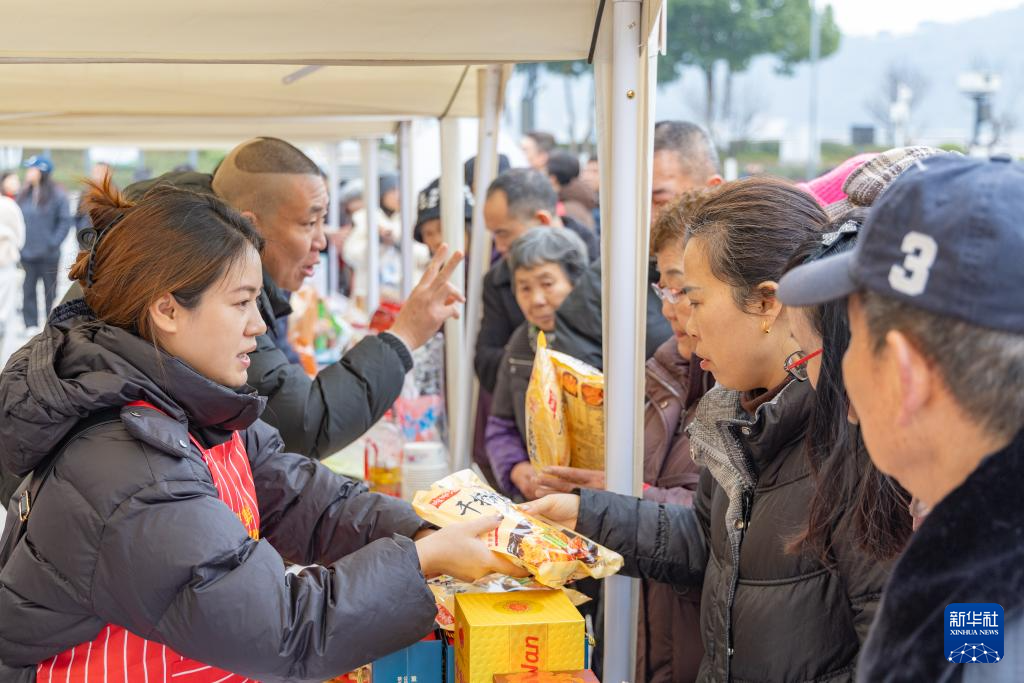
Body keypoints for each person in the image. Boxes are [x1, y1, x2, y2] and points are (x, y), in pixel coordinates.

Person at [0, 180, 522, 682]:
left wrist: (421, 529)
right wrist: (424, 559)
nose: (258, 326)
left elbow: (300, 497)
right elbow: (283, 629)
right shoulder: (126, 462)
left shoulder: (187, 404)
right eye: (241, 302)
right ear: (166, 310)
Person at [527, 177, 890, 682]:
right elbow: (710, 543)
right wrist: (586, 514)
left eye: (693, 299)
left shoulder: (862, 441)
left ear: (766, 302)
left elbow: (908, 653)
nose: (680, 319)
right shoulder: (733, 419)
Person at [59, 139, 459, 468]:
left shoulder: (210, 261)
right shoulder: (192, 265)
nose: (322, 240)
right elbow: (298, 424)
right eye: (309, 222)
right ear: (166, 310)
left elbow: (274, 468)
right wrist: (403, 336)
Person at [778, 154, 1024, 683]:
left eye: (855, 346)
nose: (845, 397)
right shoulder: (974, 552)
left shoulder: (984, 580)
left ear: (905, 376)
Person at [535, 190, 716, 683]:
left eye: (687, 292)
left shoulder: (769, 401)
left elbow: (723, 530)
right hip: (653, 634)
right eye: (666, 291)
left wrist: (606, 503)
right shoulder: (665, 371)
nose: (676, 309)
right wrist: (597, 501)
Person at [553, 121, 723, 369]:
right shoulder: (609, 278)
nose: (647, 216)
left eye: (659, 199)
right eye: (636, 202)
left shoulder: (746, 270)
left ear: (713, 189)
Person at [485, 228, 590, 500]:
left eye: (547, 284)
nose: (537, 300)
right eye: (525, 288)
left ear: (575, 282)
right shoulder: (519, 344)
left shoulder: (602, 340)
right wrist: (516, 469)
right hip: (538, 498)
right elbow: (500, 425)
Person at [474, 168, 598, 394]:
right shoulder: (497, 279)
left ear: (542, 220)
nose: (498, 246)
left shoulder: (604, 267)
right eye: (525, 288)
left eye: (503, 233)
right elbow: (485, 363)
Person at [348, 173, 431, 304]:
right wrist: (378, 241)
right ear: (382, 193)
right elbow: (351, 255)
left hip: (405, 295)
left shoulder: (411, 219)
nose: (397, 195)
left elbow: (425, 256)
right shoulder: (364, 219)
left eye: (399, 190)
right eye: (392, 190)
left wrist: (397, 244)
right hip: (372, 294)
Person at [16, 155, 72, 332]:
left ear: (42, 172)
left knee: (50, 292)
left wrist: (52, 243)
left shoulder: (57, 195)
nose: (28, 172)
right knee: (28, 290)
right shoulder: (24, 194)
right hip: (27, 254)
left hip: (49, 254)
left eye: (32, 169)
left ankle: (51, 324)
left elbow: (65, 221)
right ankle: (30, 324)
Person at [414, 177, 474, 256]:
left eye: (442, 229)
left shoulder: (489, 262)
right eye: (428, 233)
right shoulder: (436, 267)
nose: (437, 240)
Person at [547, 150, 598, 232]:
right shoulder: (578, 198)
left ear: (552, 178)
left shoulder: (567, 209)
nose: (588, 176)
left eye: (595, 171)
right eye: (586, 171)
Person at [0, 193, 25, 343]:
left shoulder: (8, 206)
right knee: (5, 312)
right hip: (6, 262)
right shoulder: (9, 205)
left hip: (5, 262)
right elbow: (20, 238)